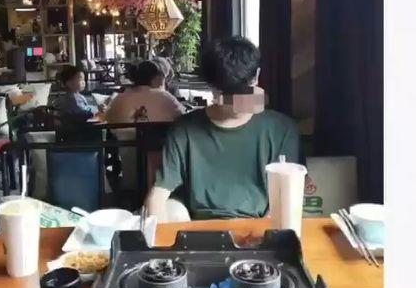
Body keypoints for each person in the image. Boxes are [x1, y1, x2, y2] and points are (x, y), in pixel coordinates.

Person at [145, 38, 300, 221]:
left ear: (257, 76)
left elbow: (288, 195)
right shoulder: (183, 130)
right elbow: (158, 194)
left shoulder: (281, 129)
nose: (235, 102)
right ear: (211, 87)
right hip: (199, 227)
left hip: (258, 225)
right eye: (226, 93)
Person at [104, 60, 183, 124]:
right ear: (156, 78)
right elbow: (183, 118)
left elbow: (107, 119)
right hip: (158, 139)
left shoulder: (120, 98)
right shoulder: (166, 98)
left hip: (122, 139)